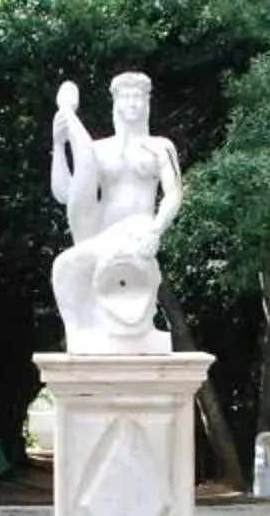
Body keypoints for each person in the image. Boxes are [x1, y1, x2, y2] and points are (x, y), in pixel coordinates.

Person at [46, 72, 182, 352]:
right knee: (64, 267)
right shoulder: (97, 149)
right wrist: (59, 146)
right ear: (116, 103)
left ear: (147, 102)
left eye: (139, 97)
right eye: (126, 97)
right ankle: (78, 332)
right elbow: (67, 194)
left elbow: (174, 193)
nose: (133, 103)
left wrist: (156, 228)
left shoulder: (161, 146)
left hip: (139, 231)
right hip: (101, 235)